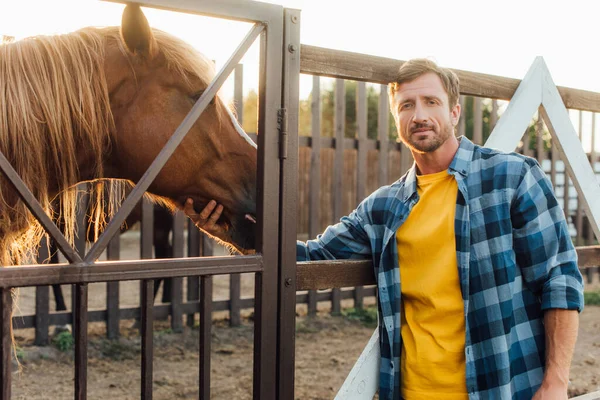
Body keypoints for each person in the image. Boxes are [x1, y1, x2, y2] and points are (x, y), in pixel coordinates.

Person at [184, 58, 584, 400]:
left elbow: (559, 279)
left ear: (455, 111)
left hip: (502, 388)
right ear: (396, 118)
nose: (419, 115)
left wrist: (555, 381)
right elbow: (308, 257)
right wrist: (231, 230)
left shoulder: (512, 177)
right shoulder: (384, 207)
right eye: (406, 105)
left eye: (431, 102)